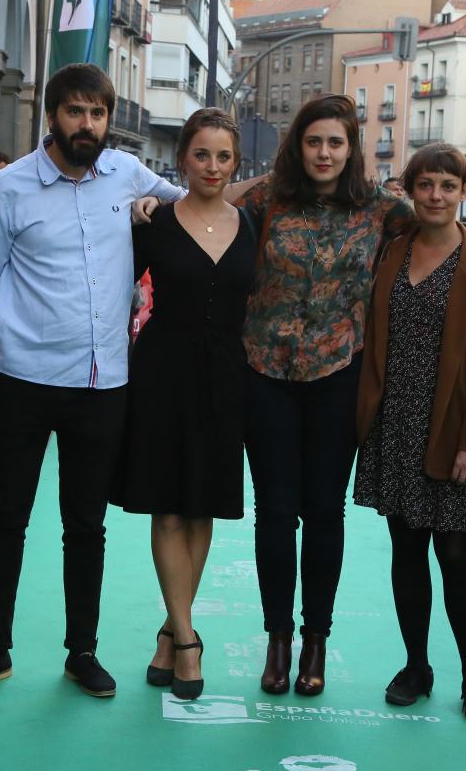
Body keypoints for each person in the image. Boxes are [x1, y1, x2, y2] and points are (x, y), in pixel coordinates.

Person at [234, 95, 466, 698]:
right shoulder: (266, 200)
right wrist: (153, 199)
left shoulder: (383, 211)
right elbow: (204, 203)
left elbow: (444, 221)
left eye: (336, 142)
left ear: (352, 148)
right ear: (297, 147)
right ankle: (277, 640)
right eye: (313, 142)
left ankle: (315, 643)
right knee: (275, 514)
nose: (325, 153)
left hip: (340, 378)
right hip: (266, 373)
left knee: (324, 514)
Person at [0, 63, 188, 698]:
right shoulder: (10, 187)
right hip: (20, 379)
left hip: (101, 383)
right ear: (52, 115)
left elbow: (206, 203)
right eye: (76, 111)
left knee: (86, 525)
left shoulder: (129, 176)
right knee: (7, 520)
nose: (88, 124)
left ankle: (82, 651)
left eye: (98, 113)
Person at [354, 143, 466, 724]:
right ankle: (416, 665)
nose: (437, 196)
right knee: (406, 552)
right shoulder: (392, 250)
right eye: (426, 185)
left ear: (464, 193)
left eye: (449, 185)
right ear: (410, 190)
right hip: (396, 424)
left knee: (457, 555)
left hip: (456, 430)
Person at [115, 109, 255, 701]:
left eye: (224, 156)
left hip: (227, 378)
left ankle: (171, 631)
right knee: (168, 509)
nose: (214, 167)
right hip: (163, 374)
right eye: (203, 155)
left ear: (236, 163)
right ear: (182, 161)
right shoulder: (153, 222)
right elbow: (103, 276)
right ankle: (190, 640)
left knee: (201, 511)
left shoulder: (254, 224)